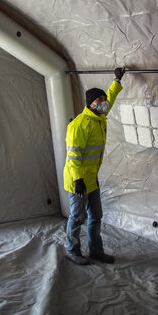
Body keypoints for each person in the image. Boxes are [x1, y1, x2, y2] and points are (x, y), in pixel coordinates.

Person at [64, 67, 125, 265]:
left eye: (103, 100)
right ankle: (72, 251)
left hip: (92, 179)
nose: (104, 103)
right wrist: (78, 180)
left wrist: (117, 80)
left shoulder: (99, 117)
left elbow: (110, 99)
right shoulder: (80, 124)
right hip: (78, 180)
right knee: (76, 217)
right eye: (99, 101)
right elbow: (73, 156)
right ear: (90, 104)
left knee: (96, 216)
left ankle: (96, 251)